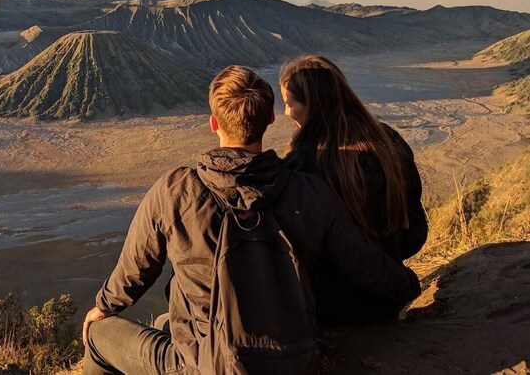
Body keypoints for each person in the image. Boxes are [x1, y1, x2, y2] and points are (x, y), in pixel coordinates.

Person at [82, 65, 421, 375]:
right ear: (270, 120)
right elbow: (363, 263)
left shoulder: (176, 189)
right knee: (164, 320)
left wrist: (103, 306)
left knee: (98, 336)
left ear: (213, 123)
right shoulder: (308, 191)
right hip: (295, 359)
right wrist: (409, 285)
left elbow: (136, 267)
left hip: (206, 364)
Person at [279, 55, 428, 325]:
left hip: (331, 310)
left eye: (290, 104)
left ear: (311, 105)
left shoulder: (302, 164)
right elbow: (414, 231)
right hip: (387, 295)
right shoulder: (387, 140)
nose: (287, 113)